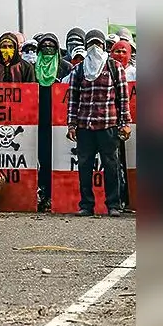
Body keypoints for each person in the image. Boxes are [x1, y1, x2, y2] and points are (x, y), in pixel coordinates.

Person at [67, 29, 131, 217]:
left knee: (111, 166)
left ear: (104, 46)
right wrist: (71, 124)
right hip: (85, 125)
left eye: (98, 44)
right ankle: (86, 205)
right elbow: (73, 99)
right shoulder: (79, 69)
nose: (95, 47)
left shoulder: (114, 67)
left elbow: (123, 98)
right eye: (91, 44)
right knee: (84, 167)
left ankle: (113, 205)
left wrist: (125, 123)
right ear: (86, 46)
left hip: (108, 125)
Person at [32, 32, 74, 211]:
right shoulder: (33, 67)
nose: (47, 48)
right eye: (44, 46)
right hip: (38, 120)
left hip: (59, 121)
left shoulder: (65, 67)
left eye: (51, 45)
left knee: (59, 158)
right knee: (42, 158)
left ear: (57, 48)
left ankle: (57, 195)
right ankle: (44, 193)